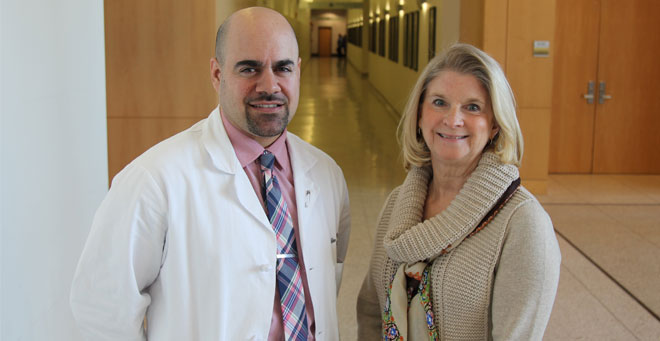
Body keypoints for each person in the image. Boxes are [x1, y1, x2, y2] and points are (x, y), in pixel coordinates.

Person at [70, 7, 350, 340]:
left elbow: (325, 280)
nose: (269, 85)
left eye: (282, 68)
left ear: (298, 72)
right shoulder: (154, 180)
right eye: (250, 68)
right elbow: (102, 312)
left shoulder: (326, 175)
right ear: (217, 74)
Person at [356, 43, 560, 340]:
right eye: (439, 102)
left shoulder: (523, 224)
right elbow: (371, 311)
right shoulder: (397, 204)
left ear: (494, 125)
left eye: (473, 107)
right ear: (420, 115)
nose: (452, 120)